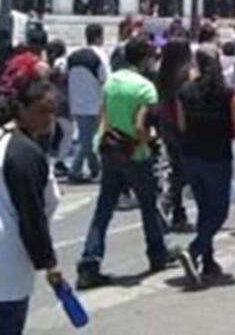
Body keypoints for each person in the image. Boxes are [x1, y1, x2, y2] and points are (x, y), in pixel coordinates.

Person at [0, 71, 64, 335]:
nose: (49, 119)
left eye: (53, 112)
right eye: (42, 111)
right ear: (23, 109)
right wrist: (49, 263)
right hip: (1, 249)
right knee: (6, 325)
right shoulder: (25, 153)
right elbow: (31, 214)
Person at [76, 36, 174, 289]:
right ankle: (157, 254)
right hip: (136, 154)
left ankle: (90, 262)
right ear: (144, 59)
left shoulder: (111, 82)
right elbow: (141, 127)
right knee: (148, 206)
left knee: (103, 210)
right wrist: (151, 138)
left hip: (110, 151)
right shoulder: (145, 88)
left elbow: (103, 116)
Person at [175, 48, 235, 287]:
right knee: (219, 212)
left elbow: (182, 126)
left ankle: (207, 261)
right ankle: (195, 250)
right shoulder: (228, 94)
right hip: (216, 157)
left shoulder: (184, 92)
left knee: (204, 209)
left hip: (191, 155)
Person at [153, 39, 194, 232]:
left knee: (177, 168)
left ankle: (177, 210)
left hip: (166, 124)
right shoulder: (183, 76)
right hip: (179, 124)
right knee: (183, 171)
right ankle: (168, 205)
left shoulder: (161, 74)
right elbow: (181, 104)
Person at [67, 24, 109, 183]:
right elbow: (106, 80)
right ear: (99, 37)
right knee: (87, 141)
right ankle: (75, 170)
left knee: (87, 138)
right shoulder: (100, 56)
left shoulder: (73, 56)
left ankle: (95, 168)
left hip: (76, 102)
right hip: (94, 103)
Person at [45, 39, 72, 179]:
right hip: (62, 101)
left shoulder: (48, 62)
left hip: (52, 100)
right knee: (68, 132)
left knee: (52, 132)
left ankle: (52, 162)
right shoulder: (61, 62)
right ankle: (59, 162)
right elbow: (60, 74)